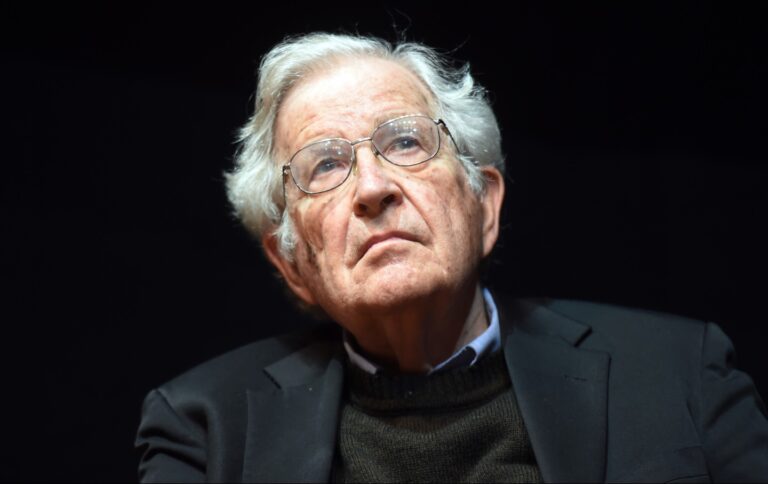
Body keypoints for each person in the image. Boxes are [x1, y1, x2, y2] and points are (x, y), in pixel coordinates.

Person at [135, 32, 768, 482]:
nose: (373, 188)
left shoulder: (680, 371)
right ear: (291, 262)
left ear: (484, 204)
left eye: (405, 143)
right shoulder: (204, 427)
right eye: (324, 165)